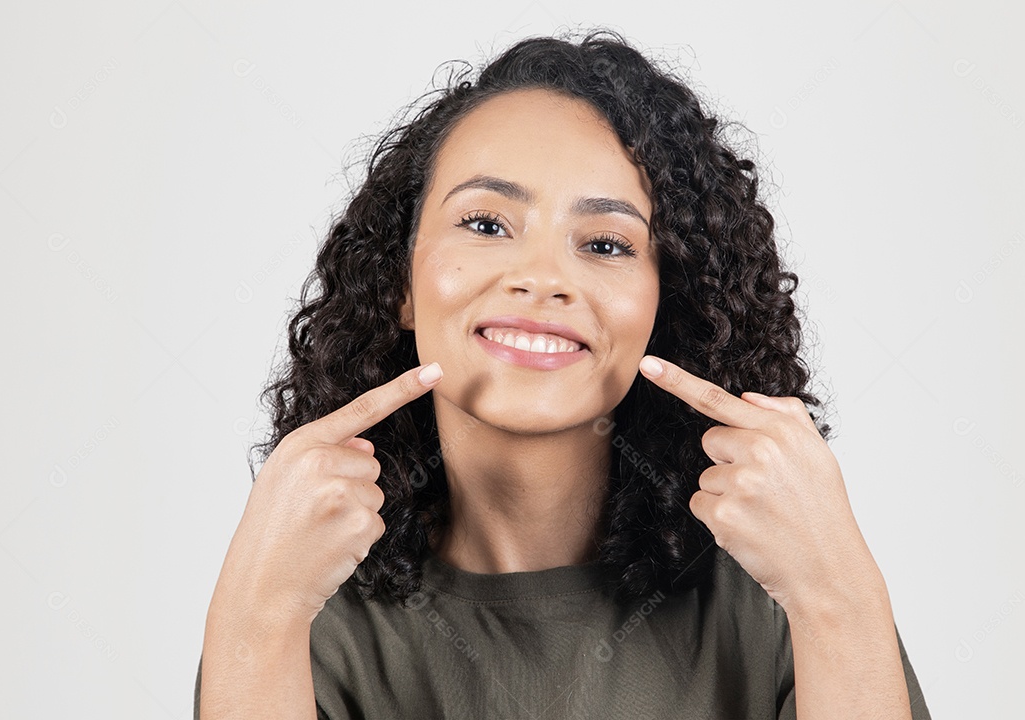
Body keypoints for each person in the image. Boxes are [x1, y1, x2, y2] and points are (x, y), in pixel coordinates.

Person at [195, 28, 932, 719]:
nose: (542, 278)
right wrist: (255, 619)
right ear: (402, 284)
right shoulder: (301, 608)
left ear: (666, 304)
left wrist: (838, 595)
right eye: (485, 225)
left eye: (607, 244)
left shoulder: (779, 593)